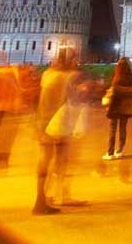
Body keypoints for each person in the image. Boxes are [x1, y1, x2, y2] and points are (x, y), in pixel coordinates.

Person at [33, 49, 83, 215]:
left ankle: (45, 197)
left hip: (43, 121)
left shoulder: (47, 74)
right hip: (58, 123)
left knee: (46, 161)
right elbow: (73, 99)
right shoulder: (69, 76)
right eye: (75, 59)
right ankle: (50, 198)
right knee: (61, 159)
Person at [103, 57, 132, 160]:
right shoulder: (130, 78)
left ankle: (110, 153)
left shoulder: (117, 78)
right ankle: (120, 151)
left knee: (112, 129)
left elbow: (114, 94)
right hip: (126, 107)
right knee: (123, 129)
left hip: (116, 106)